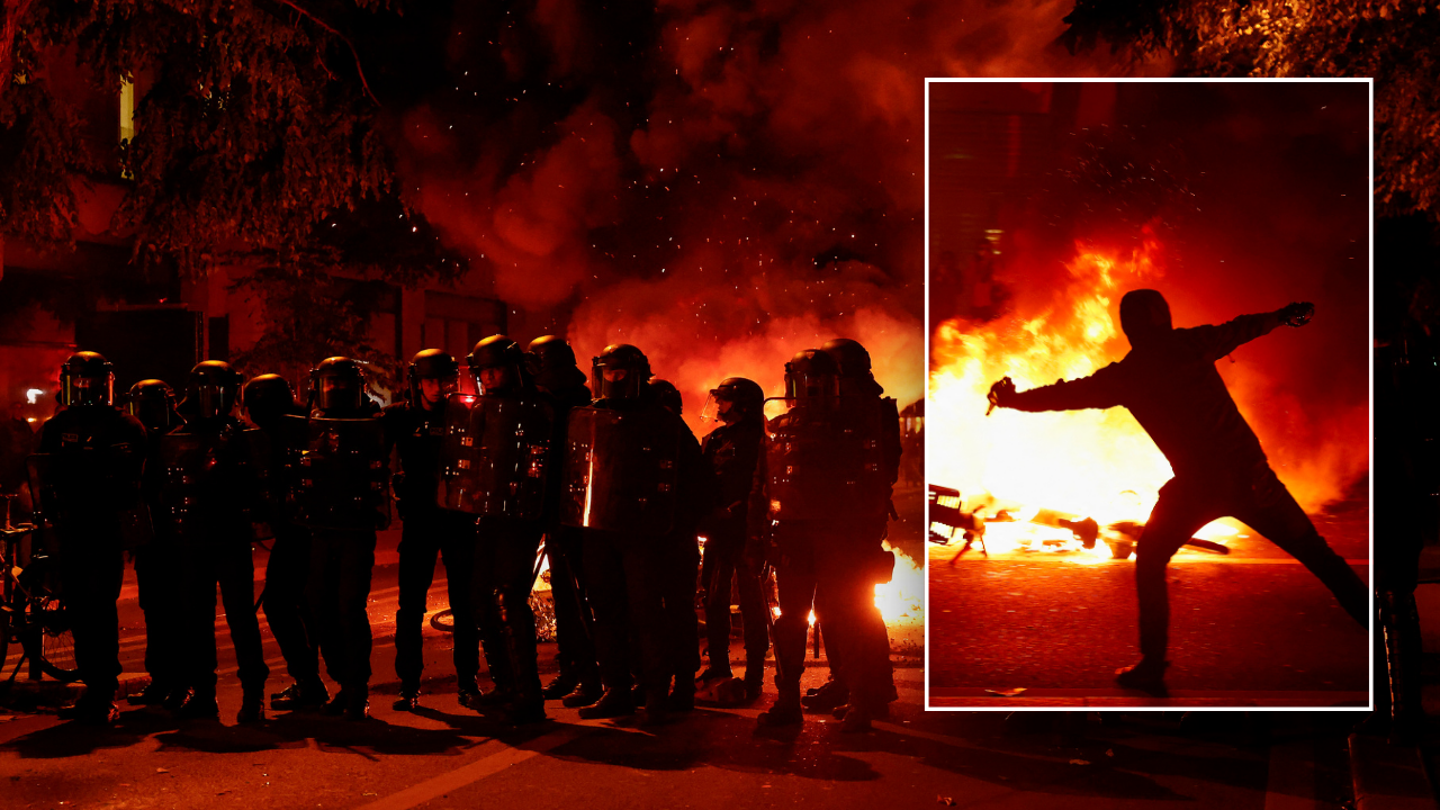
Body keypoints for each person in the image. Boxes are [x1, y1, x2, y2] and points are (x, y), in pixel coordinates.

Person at [987, 289, 1368, 695]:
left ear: (1129, 326)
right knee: (1318, 554)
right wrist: (1283, 314)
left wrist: (1013, 400)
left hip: (1197, 486)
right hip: (1250, 477)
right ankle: (1388, 636)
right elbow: (1241, 328)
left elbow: (1067, 395)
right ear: (1163, 318)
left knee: (1150, 561)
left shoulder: (1129, 375)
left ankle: (1152, 667)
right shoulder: (1191, 343)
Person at [750, 349, 896, 732]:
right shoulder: (781, 427)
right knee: (792, 622)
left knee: (848, 618)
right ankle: (787, 701)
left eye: (819, 383)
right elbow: (763, 485)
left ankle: (860, 700)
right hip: (796, 539)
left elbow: (873, 482)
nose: (811, 391)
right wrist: (758, 535)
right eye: (803, 384)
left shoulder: (857, 426)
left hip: (840, 539)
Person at [563, 344, 704, 725]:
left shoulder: (665, 422)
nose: (615, 378)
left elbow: (693, 479)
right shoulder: (591, 418)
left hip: (644, 534)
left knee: (646, 613)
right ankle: (616, 689)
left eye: (622, 371)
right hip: (599, 529)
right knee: (606, 612)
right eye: (609, 371)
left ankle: (656, 690)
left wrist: (674, 524)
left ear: (638, 373)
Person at [36, 352, 147, 725]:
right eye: (77, 381)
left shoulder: (124, 426)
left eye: (90, 381)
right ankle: (93, 687)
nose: (83, 388)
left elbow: (128, 477)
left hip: (104, 530)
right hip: (70, 530)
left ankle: (104, 691)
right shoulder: (57, 425)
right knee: (80, 611)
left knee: (100, 608)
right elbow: (41, 470)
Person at [161, 361, 269, 722]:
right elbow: (165, 485)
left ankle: (252, 693)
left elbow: (258, 486)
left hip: (229, 537)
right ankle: (205, 693)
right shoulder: (180, 436)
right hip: (192, 539)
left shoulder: (242, 436)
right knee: (197, 620)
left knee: (240, 619)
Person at [455, 336, 553, 724]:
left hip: (522, 514)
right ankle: (505, 684)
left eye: (495, 369)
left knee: (507, 598)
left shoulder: (537, 407)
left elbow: (544, 461)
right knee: (480, 596)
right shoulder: (482, 408)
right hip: (490, 513)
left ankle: (529, 694)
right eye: (484, 371)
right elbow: (472, 454)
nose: (490, 377)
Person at [384, 349, 483, 712]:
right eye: (430, 381)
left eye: (445, 381)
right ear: (417, 383)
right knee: (410, 606)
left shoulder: (468, 413)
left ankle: (468, 682)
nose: (439, 388)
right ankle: (408, 684)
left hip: (458, 519)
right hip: (419, 522)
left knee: (464, 605)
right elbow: (372, 452)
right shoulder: (398, 416)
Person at [296, 357, 389, 720]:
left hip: (356, 530)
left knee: (349, 607)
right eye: (328, 382)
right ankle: (340, 677)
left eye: (341, 383)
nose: (335, 389)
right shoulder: (311, 423)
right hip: (320, 529)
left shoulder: (373, 423)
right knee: (318, 604)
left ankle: (356, 688)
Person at [526, 336, 602, 709]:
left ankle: (590, 674)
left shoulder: (568, 405)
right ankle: (574, 668)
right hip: (561, 514)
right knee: (566, 597)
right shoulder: (567, 400)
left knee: (577, 598)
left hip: (575, 516)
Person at [245, 373, 329, 713]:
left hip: (299, 531)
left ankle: (310, 681)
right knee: (305, 607)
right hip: (310, 529)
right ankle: (313, 682)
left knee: (279, 604)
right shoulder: (304, 424)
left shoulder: (284, 431)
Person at [696, 377, 770, 702]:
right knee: (714, 601)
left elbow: (765, 486)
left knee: (753, 604)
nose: (719, 407)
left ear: (741, 405)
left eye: (724, 400)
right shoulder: (715, 439)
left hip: (747, 531)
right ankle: (719, 667)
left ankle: (755, 675)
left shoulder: (762, 440)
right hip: (718, 531)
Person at [121, 379, 187, 710]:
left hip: (177, 537)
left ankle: (183, 682)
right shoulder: (136, 439)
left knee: (178, 611)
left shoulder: (180, 437)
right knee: (155, 611)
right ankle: (161, 679)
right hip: (150, 537)